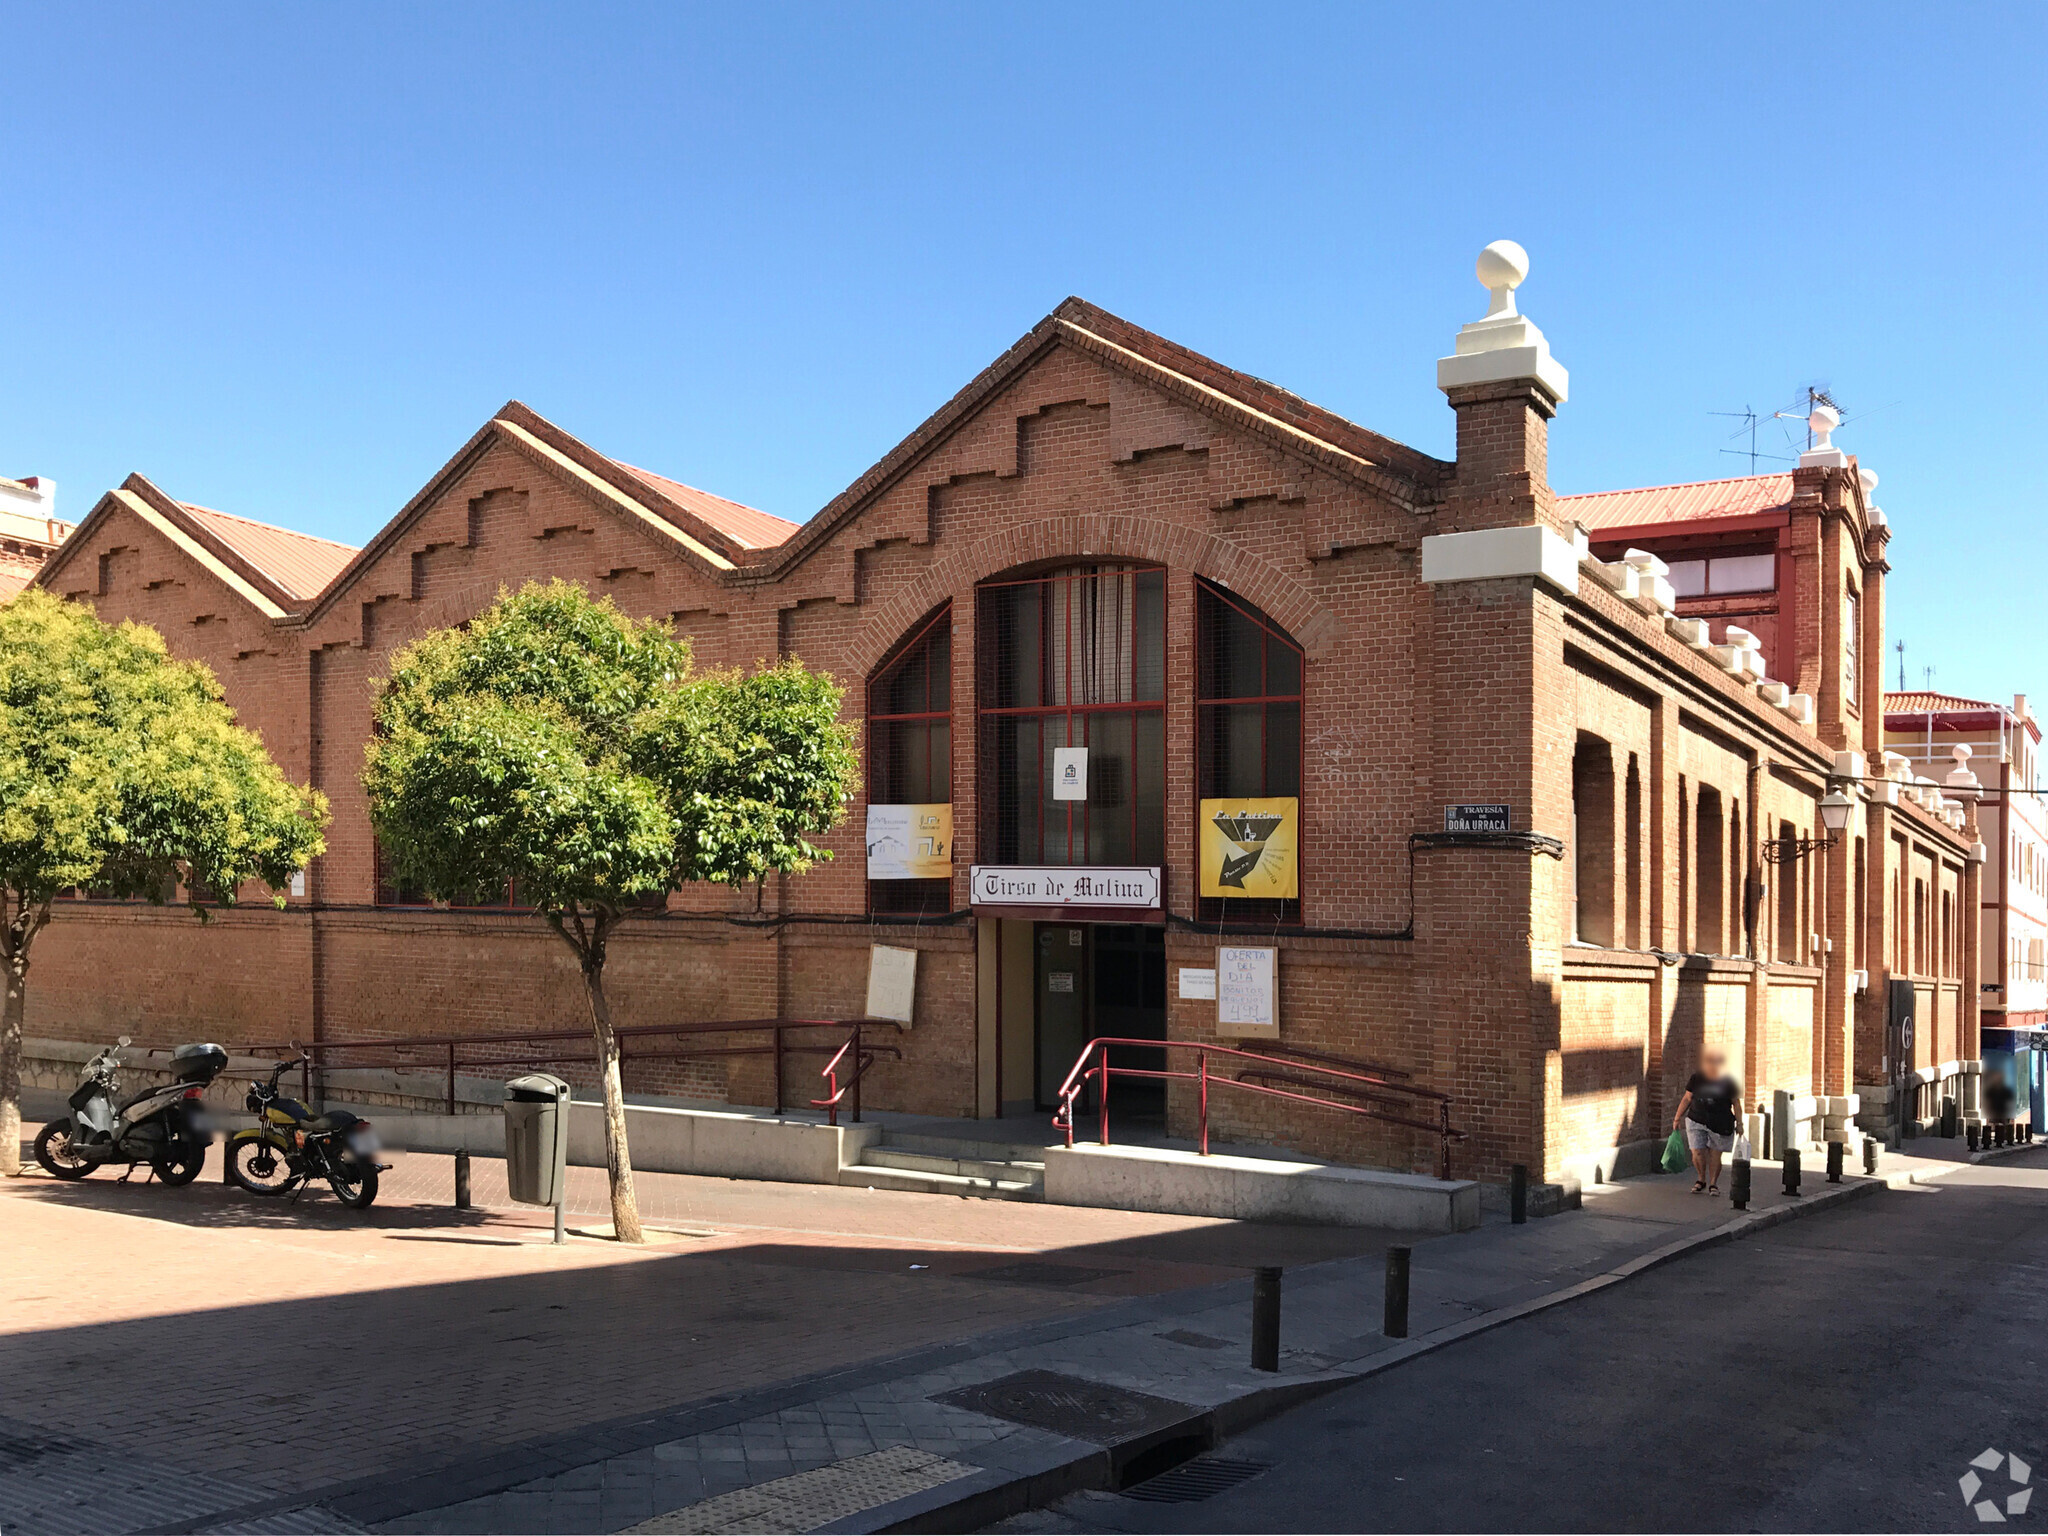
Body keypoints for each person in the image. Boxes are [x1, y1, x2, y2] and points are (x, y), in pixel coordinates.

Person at [1673, 1049, 1742, 1196]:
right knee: (1697, 1151)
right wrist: (1677, 1118)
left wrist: (1740, 1124)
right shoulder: (1697, 1078)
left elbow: (1736, 1103)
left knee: (1715, 1154)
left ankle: (1713, 1184)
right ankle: (1701, 1179)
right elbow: (1687, 1098)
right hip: (1696, 1119)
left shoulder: (1728, 1082)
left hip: (1720, 1122)